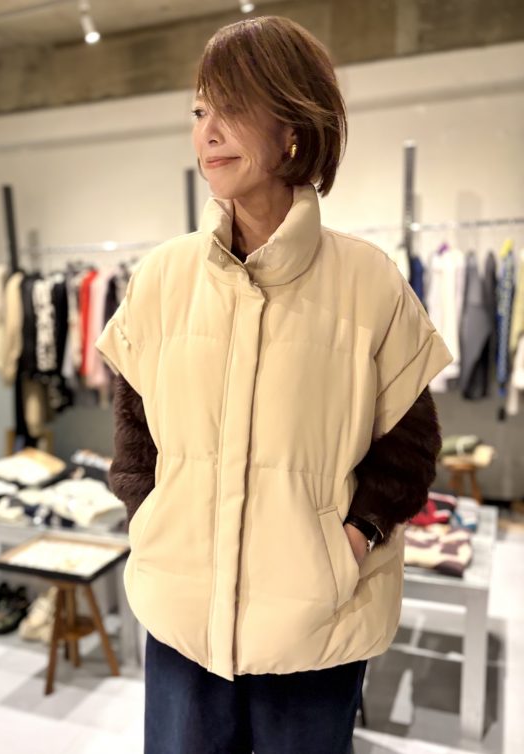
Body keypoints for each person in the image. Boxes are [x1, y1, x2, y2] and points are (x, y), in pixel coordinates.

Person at [96, 16, 452, 754]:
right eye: (199, 110)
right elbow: (135, 433)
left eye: (230, 107)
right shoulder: (163, 277)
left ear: (293, 123)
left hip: (315, 630)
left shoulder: (368, 282)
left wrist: (348, 544)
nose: (207, 132)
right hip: (185, 621)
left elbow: (409, 450)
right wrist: (153, 518)